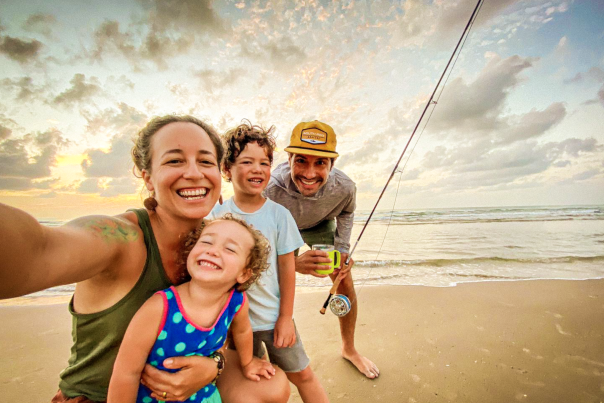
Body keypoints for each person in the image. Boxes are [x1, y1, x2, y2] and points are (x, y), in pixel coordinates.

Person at [0, 115, 290, 403]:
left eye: (205, 161)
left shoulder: (211, 246)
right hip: (101, 396)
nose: (193, 173)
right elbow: (38, 249)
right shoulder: (117, 237)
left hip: (182, 392)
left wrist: (214, 366)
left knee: (272, 387)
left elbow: (218, 329)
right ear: (148, 177)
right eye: (175, 161)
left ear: (218, 174)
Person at [210, 121, 329, 402]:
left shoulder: (279, 216)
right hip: (232, 325)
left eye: (264, 163)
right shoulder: (217, 216)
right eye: (247, 161)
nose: (257, 169)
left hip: (272, 319)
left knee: (303, 375)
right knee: (247, 381)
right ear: (227, 169)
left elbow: (288, 270)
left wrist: (286, 318)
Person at [108, 215, 276, 402]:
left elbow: (243, 329)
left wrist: (248, 363)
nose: (213, 251)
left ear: (244, 274)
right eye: (206, 242)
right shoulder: (160, 307)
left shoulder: (235, 301)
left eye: (229, 249)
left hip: (204, 396)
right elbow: (126, 373)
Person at [264, 120, 380, 379]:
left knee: (343, 276)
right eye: (301, 161)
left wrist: (343, 248)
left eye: (320, 163)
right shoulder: (269, 187)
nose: (309, 173)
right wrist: (292, 264)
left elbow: (347, 213)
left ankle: (349, 349)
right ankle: (264, 349)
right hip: (281, 227)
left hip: (319, 225)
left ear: (332, 165)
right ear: (289, 159)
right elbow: (257, 241)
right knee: (271, 282)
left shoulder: (345, 187)